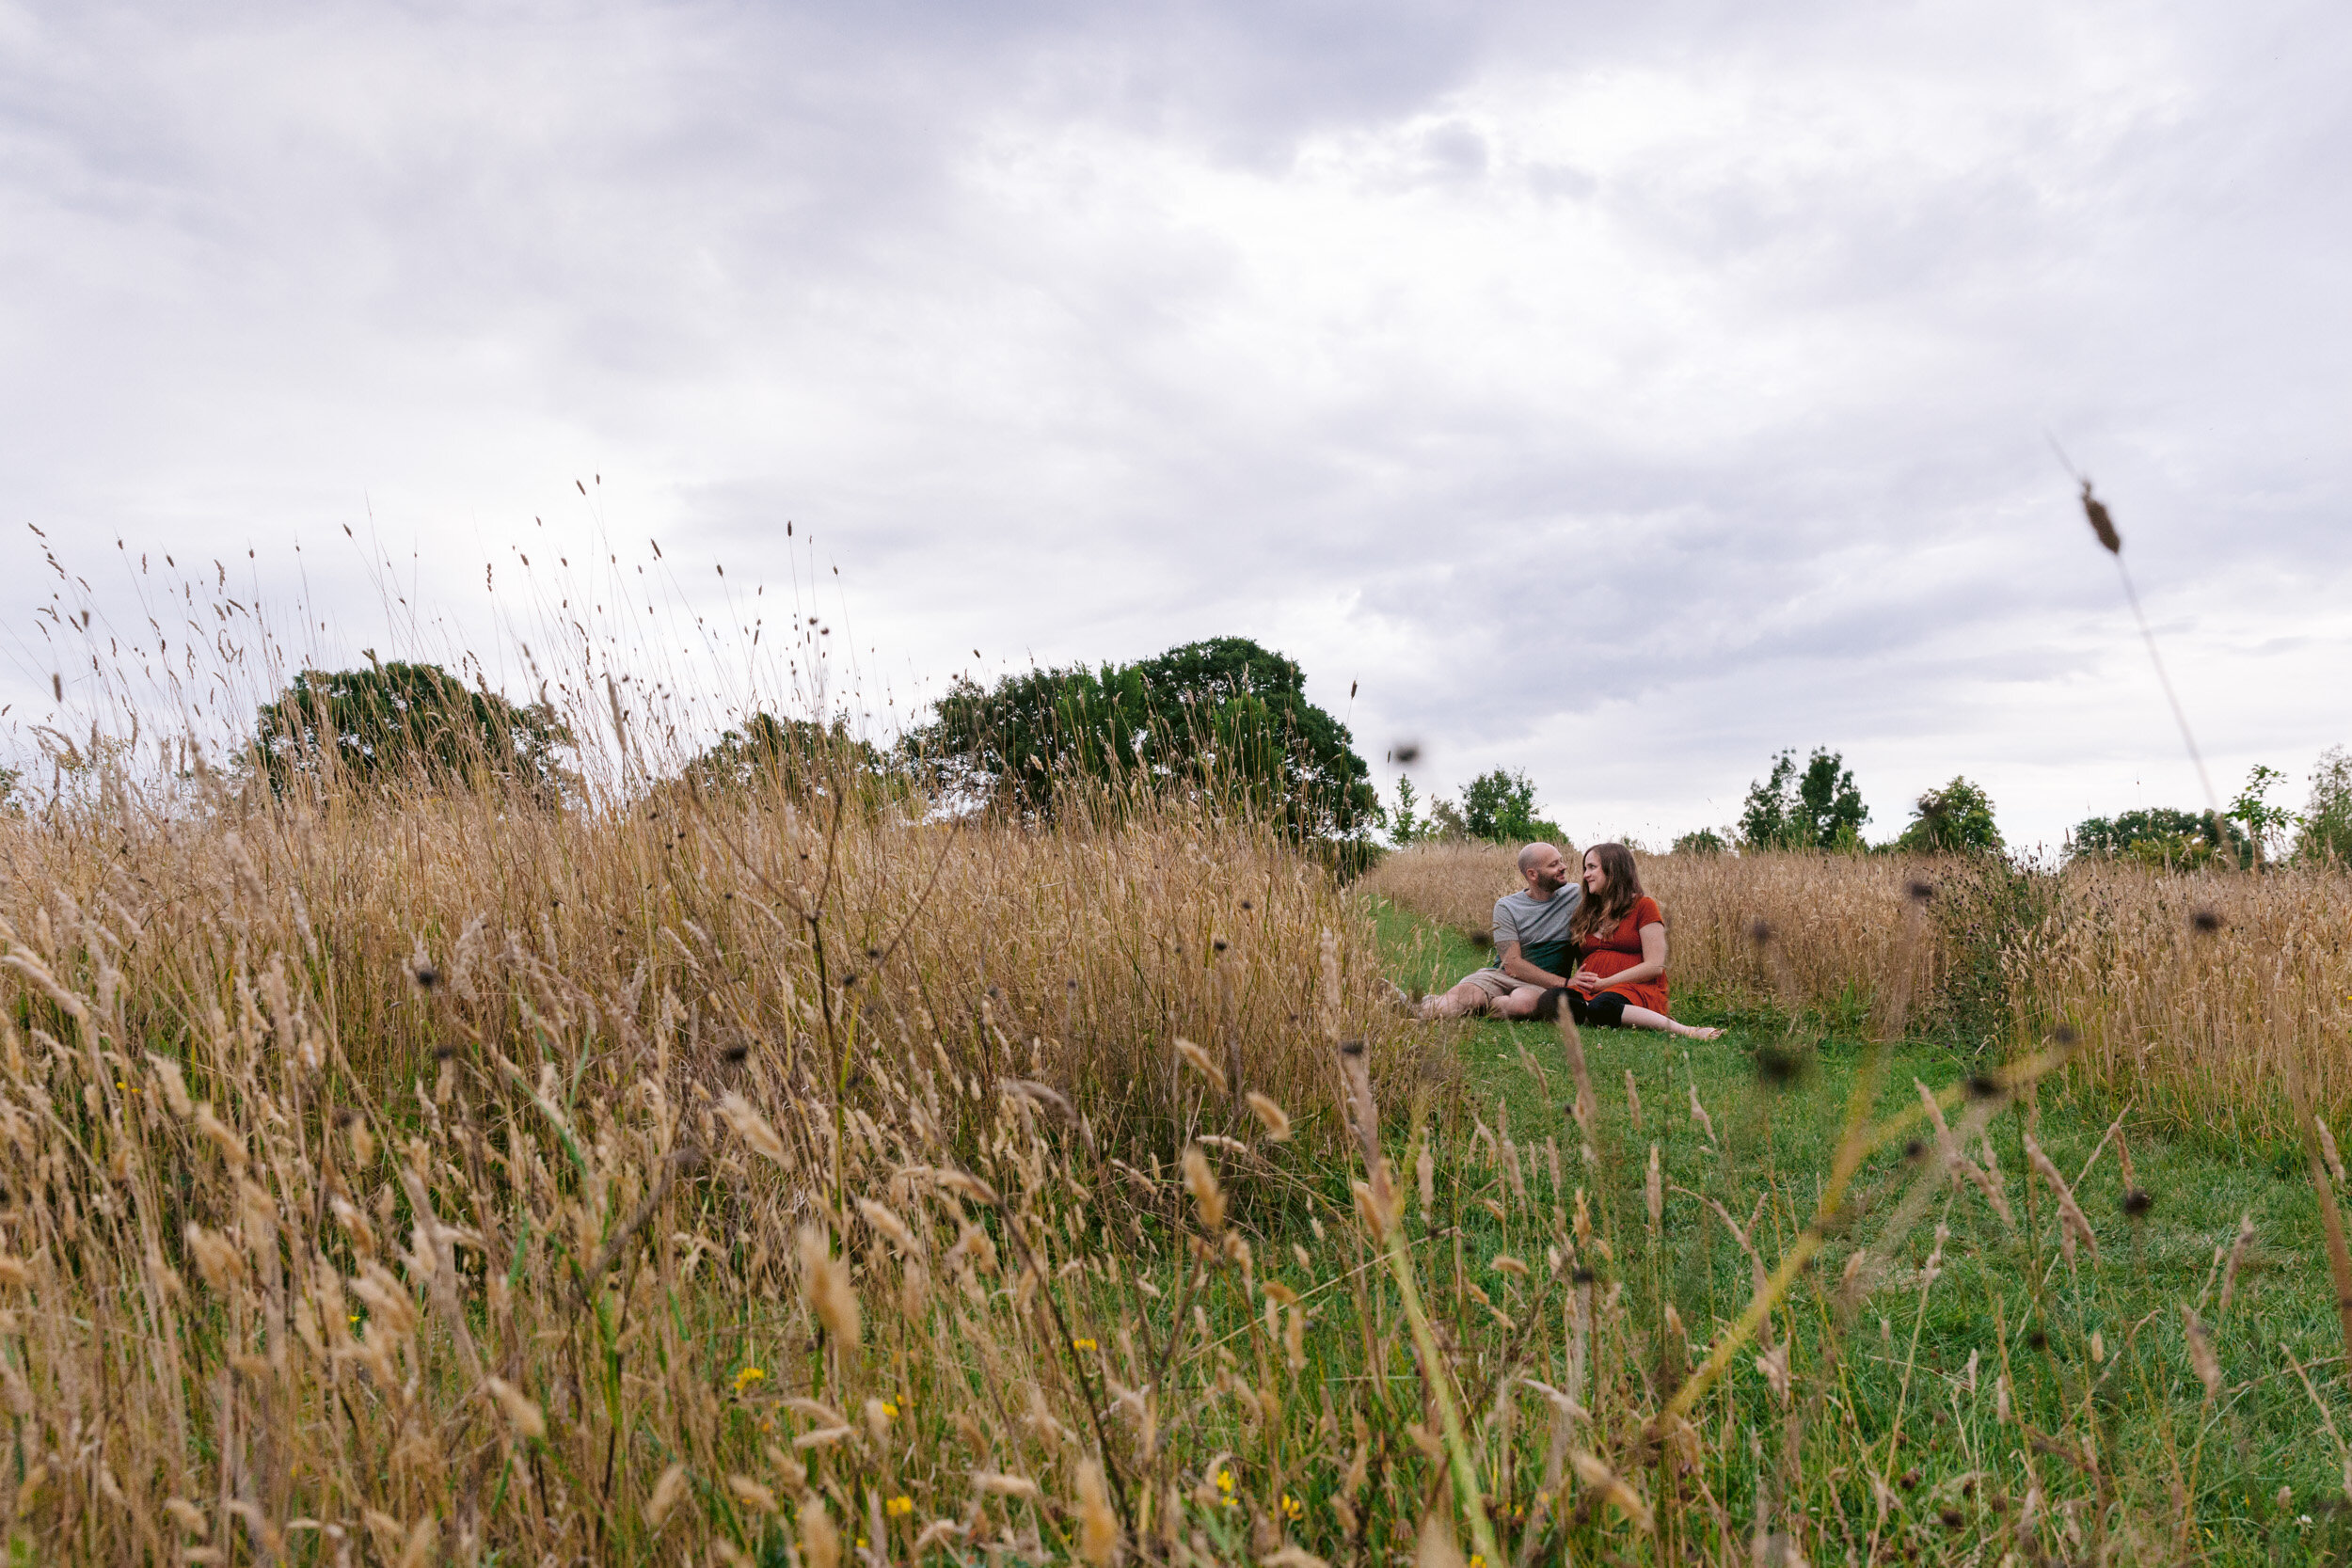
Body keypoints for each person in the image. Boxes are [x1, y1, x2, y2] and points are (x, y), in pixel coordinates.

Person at [1549, 842, 1722, 1039]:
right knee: (1553, 999)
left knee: (1603, 1005)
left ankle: (1685, 1030)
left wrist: (1604, 983)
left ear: (1613, 870)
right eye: (1585, 868)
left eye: (1592, 867)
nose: (1585, 875)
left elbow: (1655, 966)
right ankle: (1599, 1013)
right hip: (1592, 991)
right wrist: (1582, 981)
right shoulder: (1586, 912)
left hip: (1635, 988)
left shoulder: (1644, 906)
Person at [1410, 842, 1582, 1020]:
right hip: (1501, 975)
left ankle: (1474, 1006)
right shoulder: (1507, 906)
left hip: (1541, 986)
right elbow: (1512, 965)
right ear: (1533, 874)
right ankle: (1411, 1008)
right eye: (1554, 865)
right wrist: (1567, 983)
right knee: (1470, 995)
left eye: (1561, 861)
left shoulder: (1576, 895)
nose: (1563, 867)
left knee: (1523, 1005)